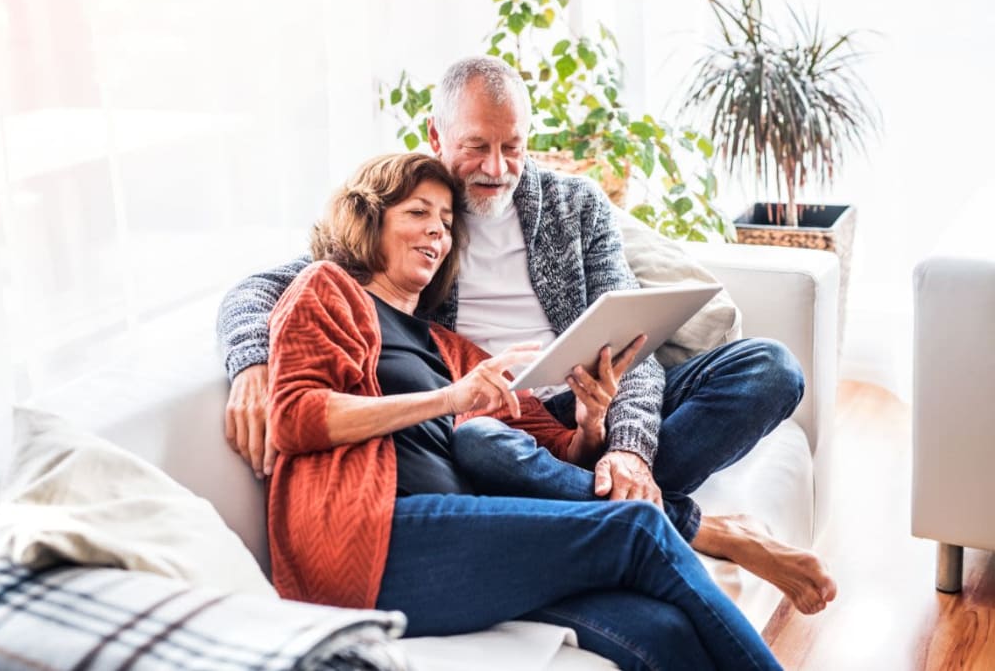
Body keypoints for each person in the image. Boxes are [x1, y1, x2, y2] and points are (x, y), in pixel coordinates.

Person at [217, 55, 836, 616]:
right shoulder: (412, 214)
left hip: (592, 395)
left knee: (770, 369)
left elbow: (635, 345)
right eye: (477, 146)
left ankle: (610, 499)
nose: (496, 167)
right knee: (484, 446)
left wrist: (626, 445)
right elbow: (263, 288)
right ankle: (691, 526)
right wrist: (251, 364)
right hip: (500, 418)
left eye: (512, 146)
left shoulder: (575, 205)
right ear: (436, 137)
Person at [267, 150, 782, 670]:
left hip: (470, 537)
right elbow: (294, 417)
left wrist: (589, 423)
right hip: (375, 539)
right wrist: (449, 399)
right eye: (417, 213)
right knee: (639, 530)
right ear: (369, 216)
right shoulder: (327, 290)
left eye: (446, 223)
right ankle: (691, 527)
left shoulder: (451, 348)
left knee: (661, 631)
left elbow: (557, 450)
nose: (436, 234)